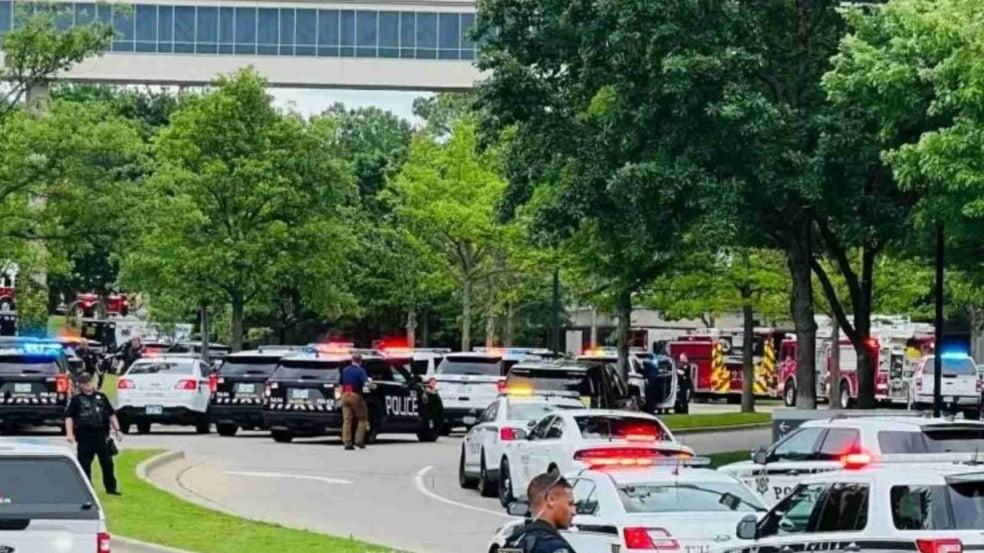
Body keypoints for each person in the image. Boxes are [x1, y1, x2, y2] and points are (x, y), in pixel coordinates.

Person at [65, 373, 122, 495]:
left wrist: (117, 430)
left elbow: (111, 414)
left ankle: (111, 488)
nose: (88, 385)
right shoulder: (76, 400)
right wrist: (69, 434)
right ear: (80, 385)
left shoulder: (101, 397)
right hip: (84, 436)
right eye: (85, 383)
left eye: (89, 382)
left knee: (107, 463)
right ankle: (88, 489)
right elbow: (69, 417)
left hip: (101, 434)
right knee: (84, 464)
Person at [502, 472, 577, 553]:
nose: (574, 512)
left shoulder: (514, 540)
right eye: (570, 503)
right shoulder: (554, 547)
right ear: (551, 500)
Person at [340, 353, 369, 450]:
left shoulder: (345, 370)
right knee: (362, 418)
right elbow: (366, 383)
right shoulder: (361, 371)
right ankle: (359, 441)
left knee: (347, 420)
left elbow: (341, 383)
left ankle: (347, 442)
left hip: (345, 395)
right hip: (355, 395)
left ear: (352, 360)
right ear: (360, 361)